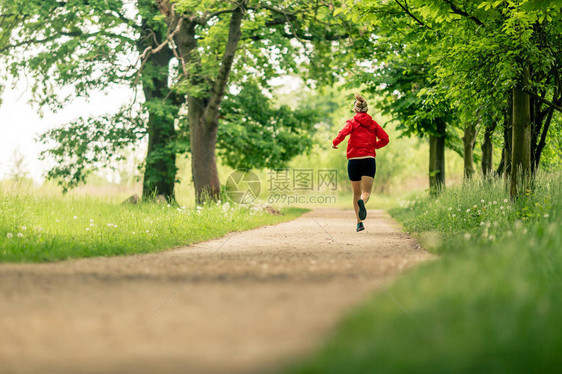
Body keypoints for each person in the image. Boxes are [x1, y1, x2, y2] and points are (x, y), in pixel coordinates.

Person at [332, 94, 389, 232]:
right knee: (366, 193)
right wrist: (374, 146)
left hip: (354, 161)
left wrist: (335, 143)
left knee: (356, 194)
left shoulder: (351, 122)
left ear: (355, 109)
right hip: (369, 160)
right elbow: (385, 139)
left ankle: (359, 223)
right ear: (367, 110)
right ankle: (362, 203)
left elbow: (342, 133)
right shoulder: (373, 124)